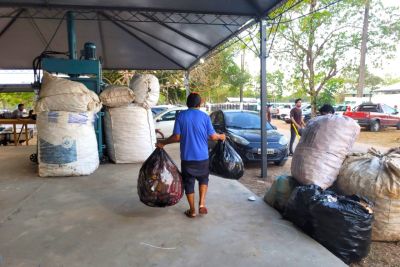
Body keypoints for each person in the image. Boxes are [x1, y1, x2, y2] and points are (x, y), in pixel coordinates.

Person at [157, 93, 225, 218]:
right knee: (204, 179)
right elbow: (213, 137)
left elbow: (177, 137)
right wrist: (221, 136)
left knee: (189, 182)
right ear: (199, 104)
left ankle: (192, 210)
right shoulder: (205, 117)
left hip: (187, 158)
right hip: (203, 157)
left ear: (187, 103)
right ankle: (202, 204)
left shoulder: (181, 116)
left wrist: (163, 143)